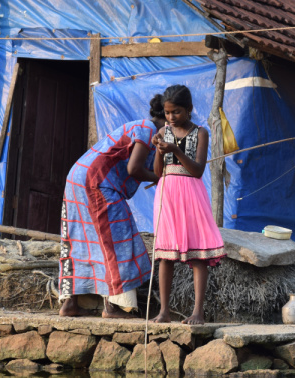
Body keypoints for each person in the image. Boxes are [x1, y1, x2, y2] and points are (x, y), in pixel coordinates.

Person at [58, 97, 166, 318]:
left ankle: (70, 304)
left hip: (77, 177)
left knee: (80, 240)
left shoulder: (140, 128)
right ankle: (115, 307)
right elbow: (134, 169)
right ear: (167, 117)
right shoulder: (146, 129)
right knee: (118, 239)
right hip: (97, 182)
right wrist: (158, 178)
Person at [150, 85, 225, 325]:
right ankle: (164, 311)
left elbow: (198, 170)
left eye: (176, 112)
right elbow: (157, 172)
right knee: (165, 255)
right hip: (167, 193)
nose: (171, 117)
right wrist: (160, 150)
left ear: (189, 109)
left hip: (191, 192)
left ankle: (197, 312)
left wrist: (175, 150)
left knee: (198, 255)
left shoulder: (200, 133)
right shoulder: (163, 131)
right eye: (168, 112)